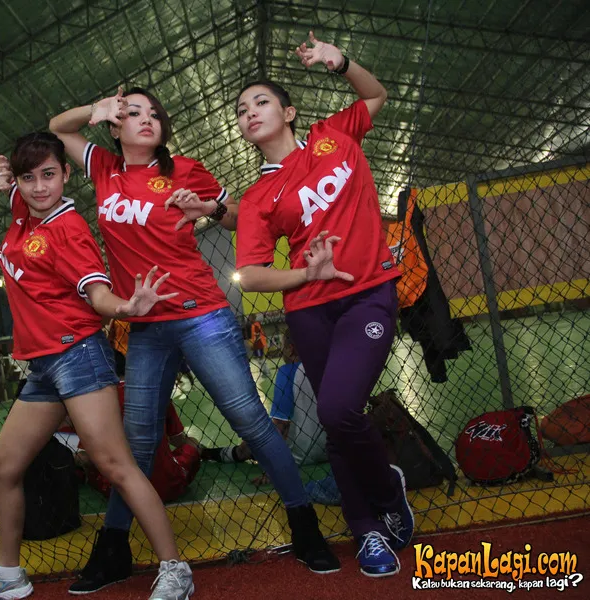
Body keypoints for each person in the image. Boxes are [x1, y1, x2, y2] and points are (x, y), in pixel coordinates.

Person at [49, 86, 340, 590]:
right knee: (137, 445)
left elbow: (236, 219)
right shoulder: (103, 168)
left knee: (250, 420)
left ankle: (303, 525)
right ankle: (114, 548)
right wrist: (94, 110)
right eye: (132, 113)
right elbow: (59, 129)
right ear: (116, 127)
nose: (145, 120)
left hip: (201, 315)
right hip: (144, 329)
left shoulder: (184, 169)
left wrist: (203, 207)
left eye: (153, 114)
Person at [0, 132, 193, 600]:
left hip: (78, 355)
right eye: (28, 178)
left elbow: (97, 293)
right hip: (43, 366)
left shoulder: (68, 229)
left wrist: (127, 307)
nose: (39, 186)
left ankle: (175, 569)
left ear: (67, 174)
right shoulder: (25, 212)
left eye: (49, 175)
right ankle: (8, 574)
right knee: (4, 465)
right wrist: (1, 172)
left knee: (115, 464)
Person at [233, 31, 415, 577]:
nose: (249, 113)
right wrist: (303, 273)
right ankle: (367, 534)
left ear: (288, 111)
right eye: (241, 111)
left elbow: (377, 97)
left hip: (367, 295)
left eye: (260, 101)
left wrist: (343, 64)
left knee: (338, 408)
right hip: (309, 309)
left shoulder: (332, 135)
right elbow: (252, 275)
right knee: (339, 424)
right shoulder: (257, 198)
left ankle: (387, 494)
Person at [201, 331, 328, 468]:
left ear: (290, 350)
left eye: (284, 347)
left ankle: (209, 453)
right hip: (332, 451)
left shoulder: (288, 372)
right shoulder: (326, 367)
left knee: (252, 442)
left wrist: (276, 468)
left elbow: (280, 425)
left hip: (298, 456)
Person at [70, 384, 201, 504]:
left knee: (87, 459)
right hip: (167, 487)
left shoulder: (98, 402)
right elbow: (177, 441)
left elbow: (86, 458)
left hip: (119, 491)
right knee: (192, 444)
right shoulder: (158, 393)